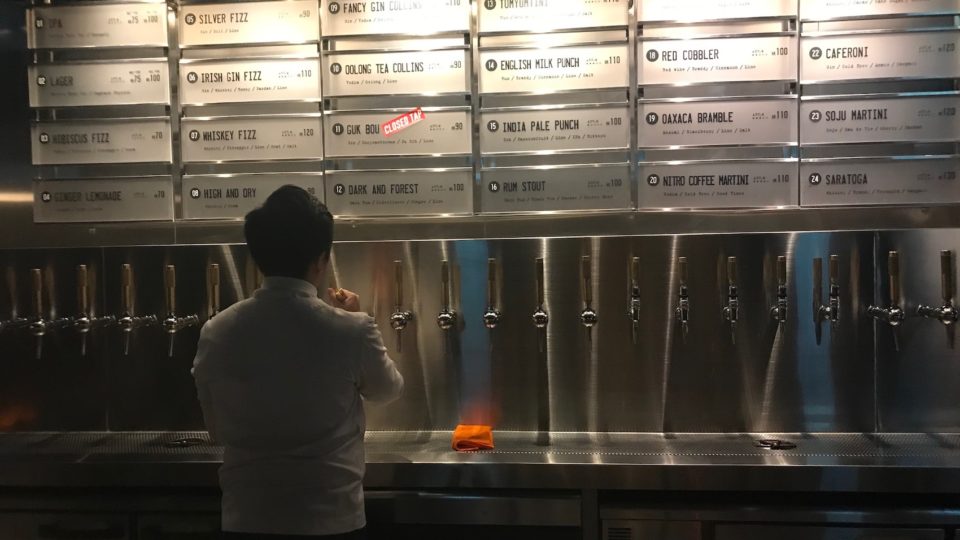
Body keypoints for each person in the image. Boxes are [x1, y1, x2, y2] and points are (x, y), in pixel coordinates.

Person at [193, 185, 404, 539]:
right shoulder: (350, 329)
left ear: (257, 258)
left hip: (247, 519)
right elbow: (388, 390)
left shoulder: (217, 331)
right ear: (321, 259)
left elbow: (217, 429)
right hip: (332, 521)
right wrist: (356, 319)